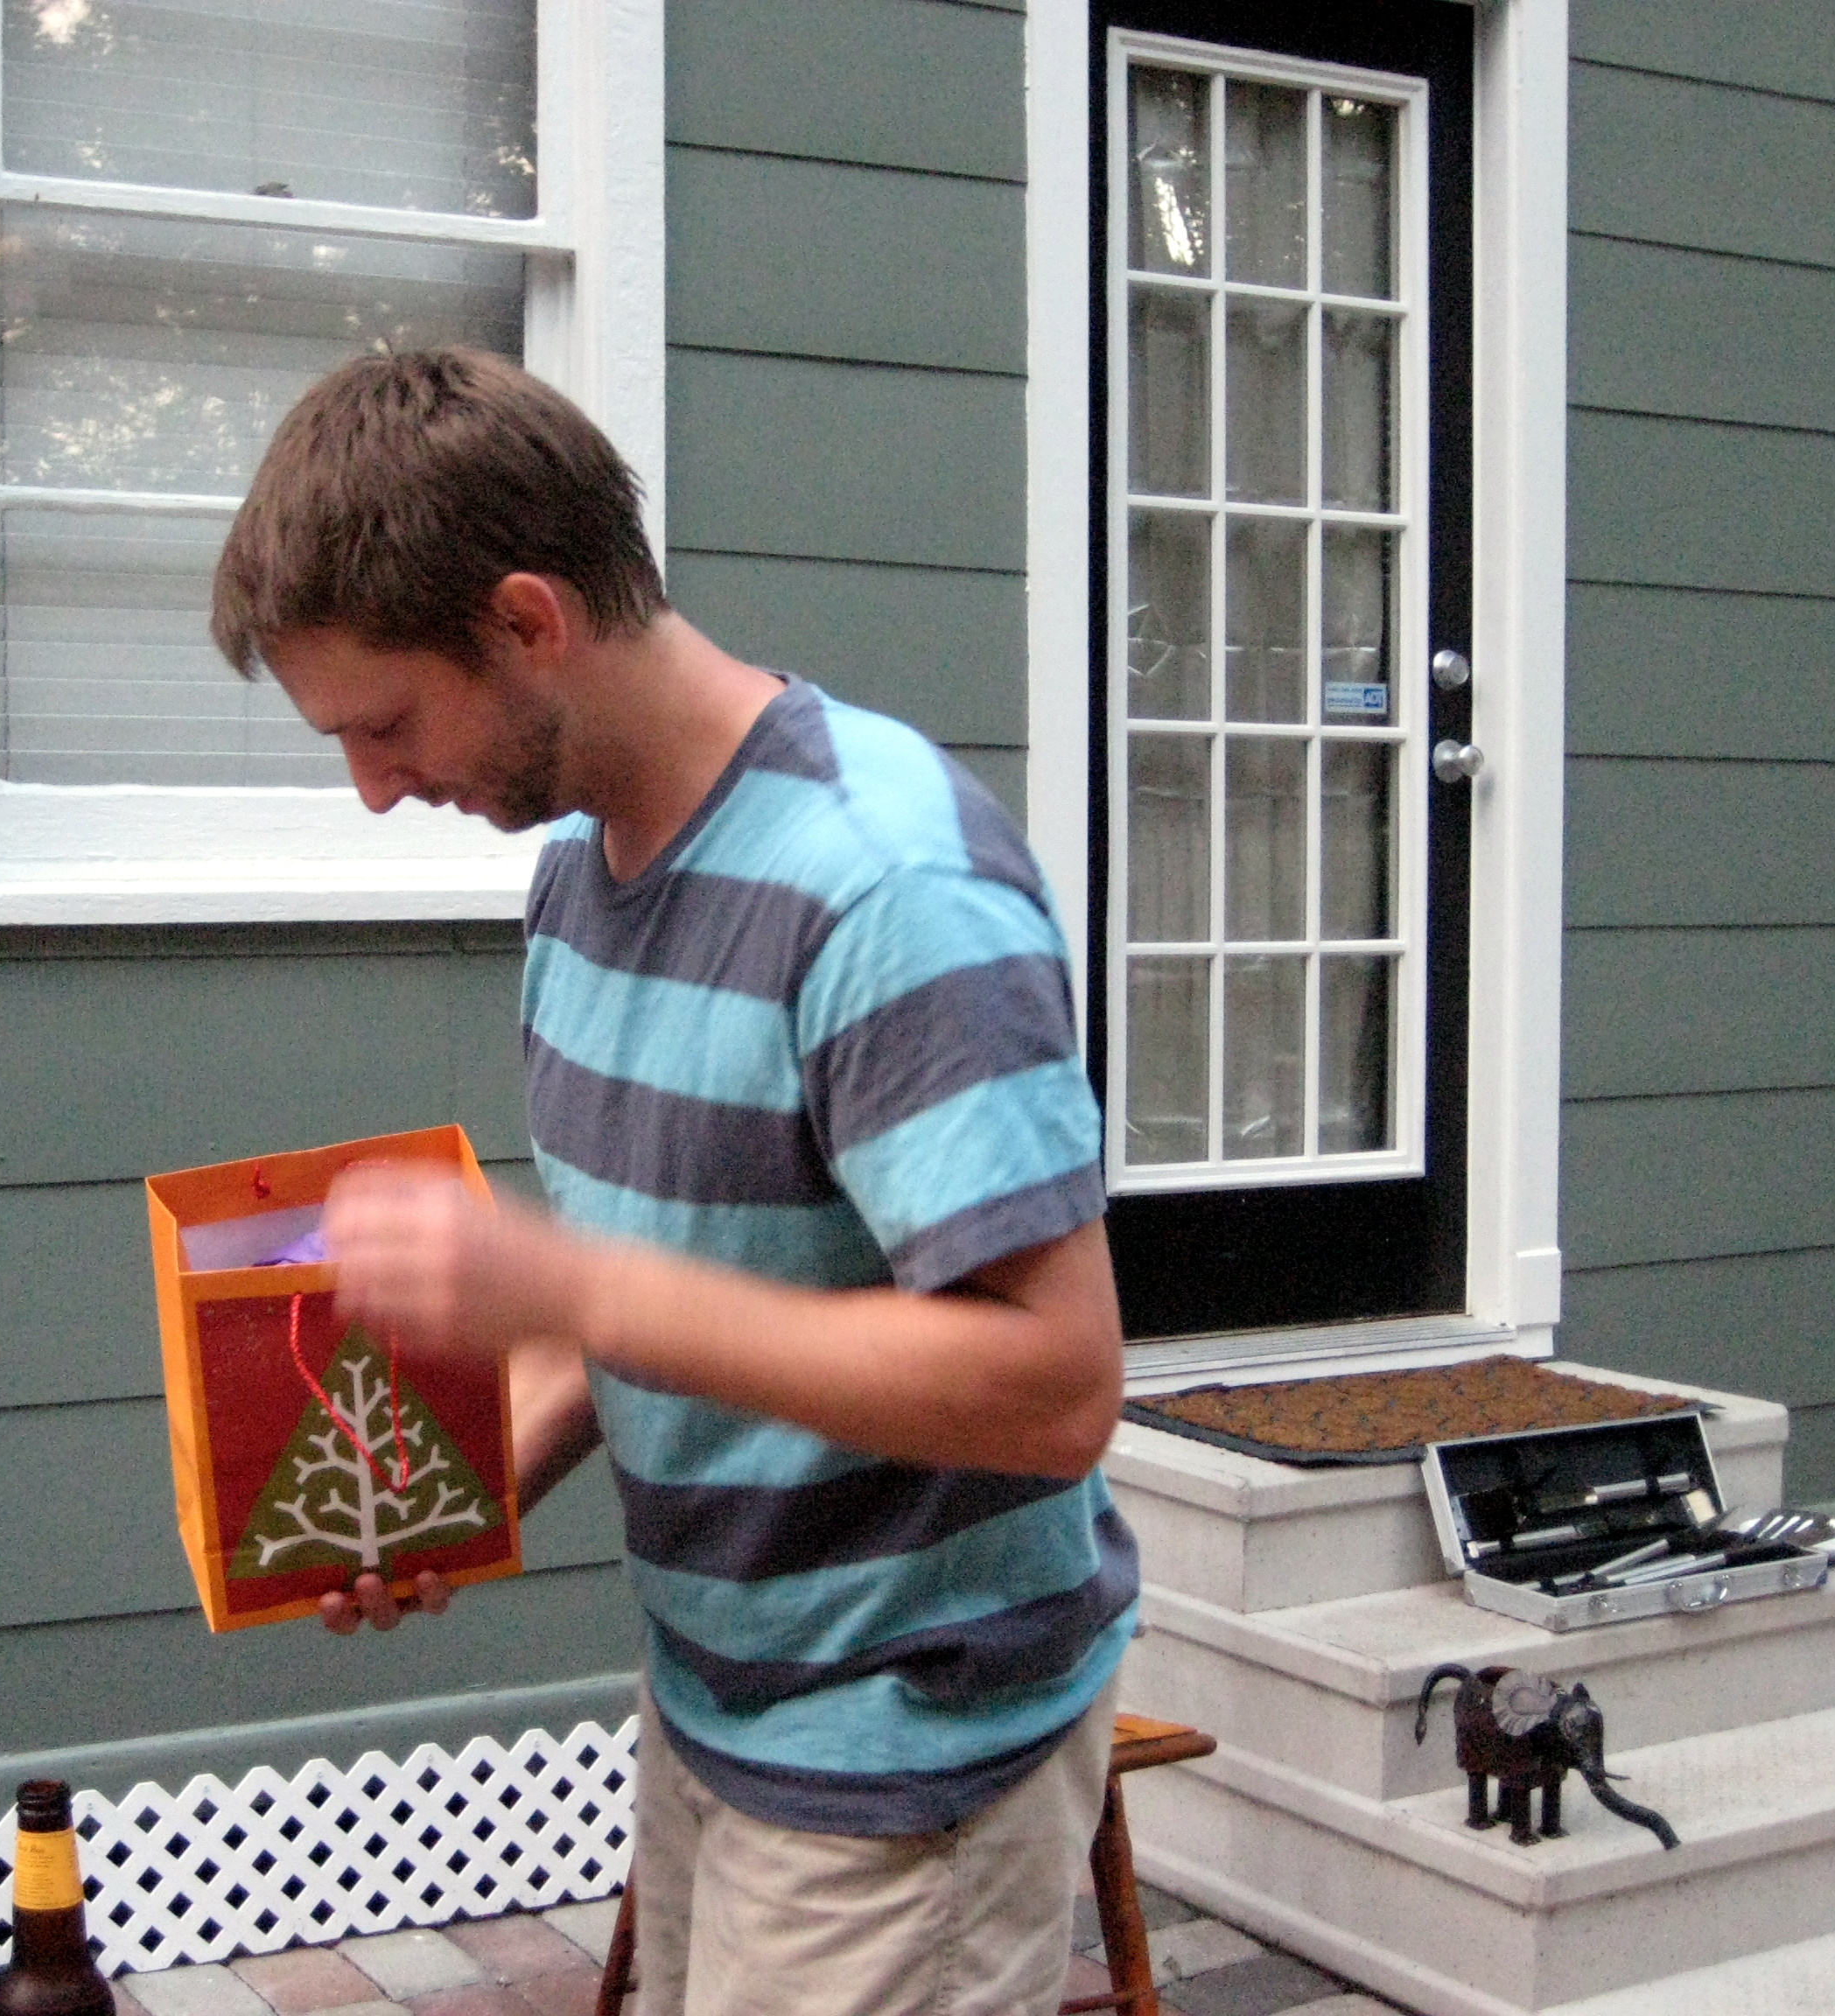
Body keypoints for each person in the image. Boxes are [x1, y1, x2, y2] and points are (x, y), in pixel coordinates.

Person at [209, 347, 1138, 2016]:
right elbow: (679, 1287)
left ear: (526, 620)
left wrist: (573, 1286)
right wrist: (466, 1485)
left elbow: (1060, 1388)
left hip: (905, 1744)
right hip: (717, 1700)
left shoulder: (885, 885)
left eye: (387, 725)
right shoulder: (578, 872)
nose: (374, 788)